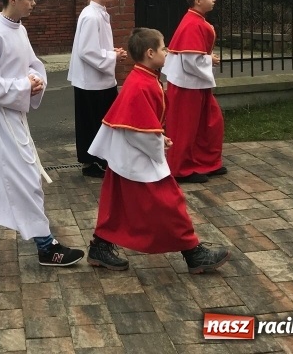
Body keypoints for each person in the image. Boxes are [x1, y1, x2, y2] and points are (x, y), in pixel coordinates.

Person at [0, 0, 85, 267]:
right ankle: (46, 246)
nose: (34, 3)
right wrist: (25, 86)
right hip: (1, 117)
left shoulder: (18, 30)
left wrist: (36, 79)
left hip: (15, 115)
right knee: (27, 178)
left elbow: (32, 64)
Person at [86, 28, 230, 274]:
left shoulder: (143, 78)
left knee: (116, 202)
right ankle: (193, 252)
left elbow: (139, 124)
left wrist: (157, 137)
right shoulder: (141, 85)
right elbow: (136, 129)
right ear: (150, 53)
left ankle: (100, 246)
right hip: (135, 155)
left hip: (127, 154)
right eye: (163, 48)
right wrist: (158, 144)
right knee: (170, 201)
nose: (167, 51)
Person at [163, 0, 226, 183]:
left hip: (194, 83)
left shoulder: (196, 20)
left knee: (209, 123)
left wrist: (206, 59)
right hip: (186, 86)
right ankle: (181, 169)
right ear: (198, 1)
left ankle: (205, 162)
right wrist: (210, 60)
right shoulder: (192, 24)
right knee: (185, 128)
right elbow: (191, 61)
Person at [67, 0, 127, 177]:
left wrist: (112, 54)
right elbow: (87, 51)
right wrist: (112, 56)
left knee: (102, 120)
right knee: (92, 122)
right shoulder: (91, 16)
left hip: (99, 78)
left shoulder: (99, 13)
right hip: (90, 81)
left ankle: (101, 158)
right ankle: (92, 163)